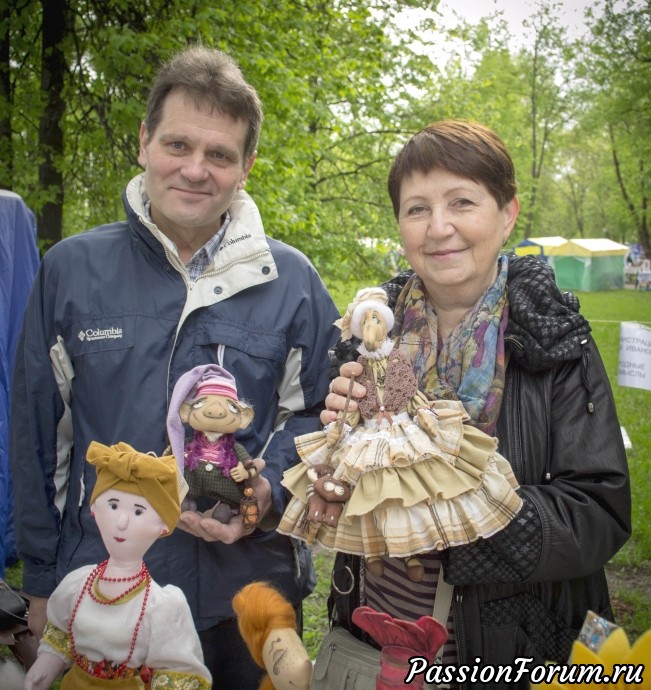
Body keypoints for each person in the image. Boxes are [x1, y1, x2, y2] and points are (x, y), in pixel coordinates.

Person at [10, 45, 340, 689]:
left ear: (246, 167)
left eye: (219, 154)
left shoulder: (292, 282)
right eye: (177, 145)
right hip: (107, 595)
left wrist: (266, 491)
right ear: (144, 142)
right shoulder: (71, 272)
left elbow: (321, 417)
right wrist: (44, 582)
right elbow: (38, 439)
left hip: (249, 598)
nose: (195, 169)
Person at [322, 120, 631, 688]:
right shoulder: (368, 335)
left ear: (507, 214)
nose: (439, 227)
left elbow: (599, 512)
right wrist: (336, 458)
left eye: (461, 202)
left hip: (510, 650)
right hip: (375, 643)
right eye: (417, 209)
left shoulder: (554, 339)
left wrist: (461, 512)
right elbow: (343, 485)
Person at [278, 286, 522, 583]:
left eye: (376, 319)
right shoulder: (357, 366)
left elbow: (411, 394)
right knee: (371, 490)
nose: (372, 326)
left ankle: (410, 554)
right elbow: (353, 402)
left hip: (401, 425)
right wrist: (340, 425)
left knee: (403, 489)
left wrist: (425, 415)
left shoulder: (397, 360)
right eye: (366, 321)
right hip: (370, 430)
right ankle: (372, 553)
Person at [24, 441, 211, 689]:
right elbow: (62, 635)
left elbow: (176, 671)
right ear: (94, 508)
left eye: (138, 511)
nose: (121, 522)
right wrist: (46, 664)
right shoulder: (78, 584)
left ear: (164, 526)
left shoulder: (161, 605)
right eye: (113, 505)